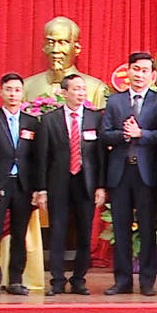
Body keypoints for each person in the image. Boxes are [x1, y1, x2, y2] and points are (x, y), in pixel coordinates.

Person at [100, 52, 157, 296]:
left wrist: (142, 134)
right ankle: (122, 281)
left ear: (153, 75)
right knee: (120, 229)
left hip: (147, 174)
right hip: (120, 173)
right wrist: (124, 134)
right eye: (135, 69)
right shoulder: (114, 101)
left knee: (147, 227)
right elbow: (104, 134)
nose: (139, 74)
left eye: (144, 70)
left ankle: (148, 281)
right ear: (127, 72)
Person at [35, 74, 106, 296]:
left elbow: (101, 156)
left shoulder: (95, 118)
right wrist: (41, 189)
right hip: (59, 184)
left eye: (83, 89)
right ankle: (57, 280)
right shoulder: (49, 120)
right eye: (76, 89)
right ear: (64, 93)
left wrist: (101, 186)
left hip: (86, 184)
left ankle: (79, 279)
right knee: (57, 232)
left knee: (84, 233)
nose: (81, 93)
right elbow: (41, 158)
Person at [0, 73, 39, 296]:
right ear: (1, 92)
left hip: (23, 186)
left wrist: (37, 189)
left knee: (19, 235)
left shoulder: (32, 122)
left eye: (17, 90)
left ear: (22, 94)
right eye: (9, 90)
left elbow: (36, 158)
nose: (13, 94)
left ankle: (15, 280)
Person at [23, 16, 108, 108]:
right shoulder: (26, 87)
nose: (55, 50)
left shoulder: (97, 89)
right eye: (51, 42)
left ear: (76, 48)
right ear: (44, 47)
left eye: (62, 43)